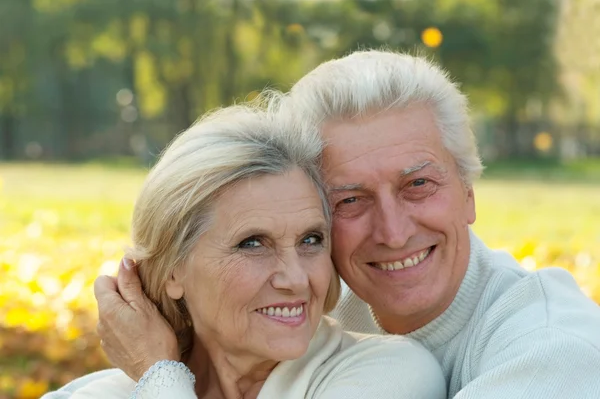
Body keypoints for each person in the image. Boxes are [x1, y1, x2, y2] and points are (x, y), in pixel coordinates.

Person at [87, 50, 600, 398]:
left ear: (469, 193)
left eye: (418, 185)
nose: (394, 232)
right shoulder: (312, 303)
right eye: (349, 199)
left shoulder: (554, 351)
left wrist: (160, 376)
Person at [41, 105, 446, 398]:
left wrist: (158, 374)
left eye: (311, 240)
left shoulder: (392, 374)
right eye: (252, 244)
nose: (295, 279)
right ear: (171, 271)